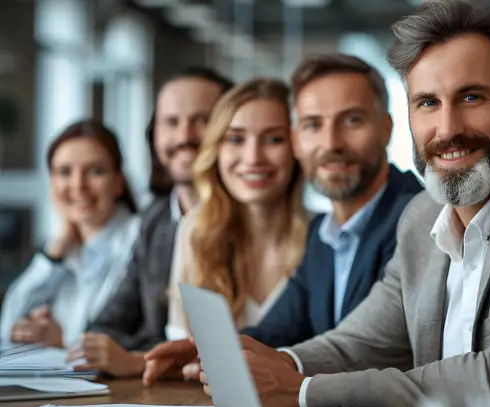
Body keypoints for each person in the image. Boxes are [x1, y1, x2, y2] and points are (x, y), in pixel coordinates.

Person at [196, 0, 490, 407]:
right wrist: (265, 365)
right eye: (427, 103)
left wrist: (301, 391)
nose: (447, 130)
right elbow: (357, 345)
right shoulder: (421, 216)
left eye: (471, 97)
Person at [142, 54, 423, 384]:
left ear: (386, 129)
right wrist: (202, 354)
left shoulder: (415, 218)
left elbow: (363, 348)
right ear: (298, 140)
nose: (331, 143)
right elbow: (276, 329)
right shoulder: (324, 233)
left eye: (351, 121)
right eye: (313, 125)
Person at [65, 67, 233, 376]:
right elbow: (105, 327)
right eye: (171, 122)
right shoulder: (154, 220)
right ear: (153, 134)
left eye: (202, 120)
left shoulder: (251, 218)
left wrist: (136, 359)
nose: (184, 136)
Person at [144, 78, 310, 382]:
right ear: (216, 149)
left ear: (296, 147)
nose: (254, 158)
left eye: (273, 139)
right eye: (235, 139)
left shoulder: (323, 236)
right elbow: (179, 354)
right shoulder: (195, 232)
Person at [0, 120, 140, 350]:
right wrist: (53, 254)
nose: (78, 185)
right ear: (51, 183)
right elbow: (8, 327)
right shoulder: (60, 248)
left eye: (96, 171)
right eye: (64, 172)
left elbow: (124, 334)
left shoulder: (141, 238)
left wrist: (63, 342)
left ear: (118, 182)